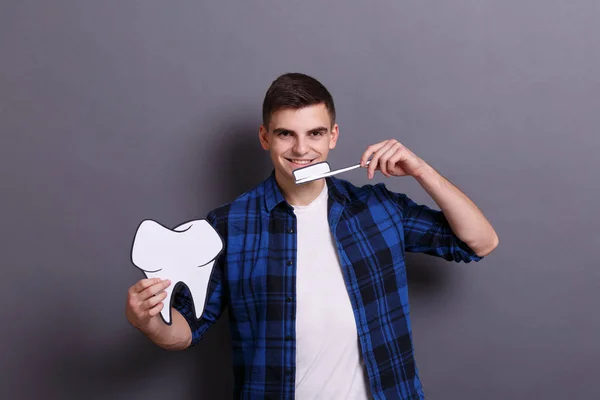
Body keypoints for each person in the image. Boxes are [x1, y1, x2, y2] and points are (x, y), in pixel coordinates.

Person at [125, 72, 499, 399]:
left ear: (333, 136)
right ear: (265, 137)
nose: (302, 149)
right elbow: (188, 330)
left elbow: (480, 242)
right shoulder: (229, 225)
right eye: (286, 134)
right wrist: (150, 321)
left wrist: (421, 171)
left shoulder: (378, 209)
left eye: (315, 133)